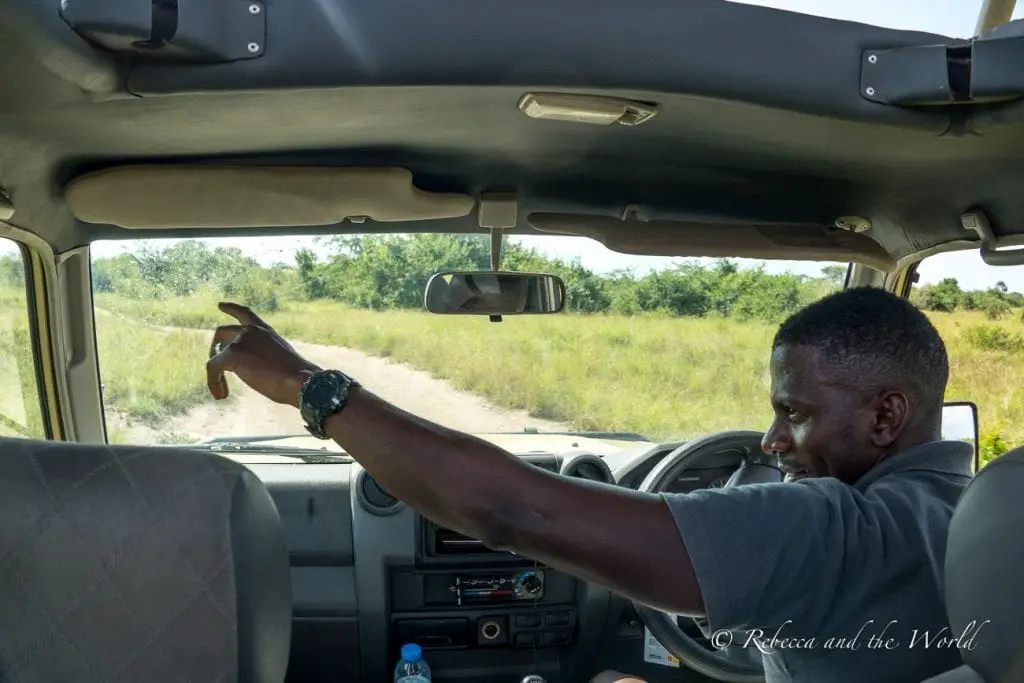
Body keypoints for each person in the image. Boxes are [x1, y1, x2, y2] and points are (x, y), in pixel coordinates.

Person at [204, 286, 974, 683]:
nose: (772, 442)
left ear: (887, 417)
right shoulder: (982, 517)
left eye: (794, 414)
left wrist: (309, 385)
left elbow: (511, 508)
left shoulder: (830, 527)